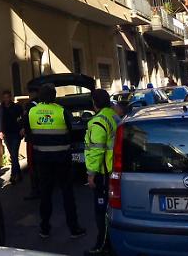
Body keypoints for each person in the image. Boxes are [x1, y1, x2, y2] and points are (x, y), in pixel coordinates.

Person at [25, 83, 86, 240]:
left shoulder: (32, 112)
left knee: (45, 194)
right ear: (54, 96)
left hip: (42, 159)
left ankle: (44, 228)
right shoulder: (61, 111)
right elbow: (72, 132)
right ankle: (73, 228)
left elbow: (28, 134)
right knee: (67, 193)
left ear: (40, 96)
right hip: (62, 159)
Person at [84, 89, 118, 255]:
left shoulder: (98, 121)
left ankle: (102, 245)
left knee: (101, 210)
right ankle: (110, 242)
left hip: (103, 173)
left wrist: (91, 174)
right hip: (112, 169)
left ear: (94, 103)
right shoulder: (113, 116)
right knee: (110, 208)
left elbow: (97, 150)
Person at [0, 90, 24, 183]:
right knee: (13, 155)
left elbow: (23, 118)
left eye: (8, 97)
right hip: (7, 134)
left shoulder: (17, 107)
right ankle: (19, 174)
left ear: (10, 97)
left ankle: (13, 176)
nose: (6, 99)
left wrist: (22, 128)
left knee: (14, 154)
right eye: (4, 97)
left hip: (16, 133)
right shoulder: (1, 108)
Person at [23, 85, 41, 200]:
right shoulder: (44, 105)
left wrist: (23, 128)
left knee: (32, 165)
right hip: (42, 139)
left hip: (32, 139)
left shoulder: (30, 106)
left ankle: (35, 190)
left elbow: (25, 121)